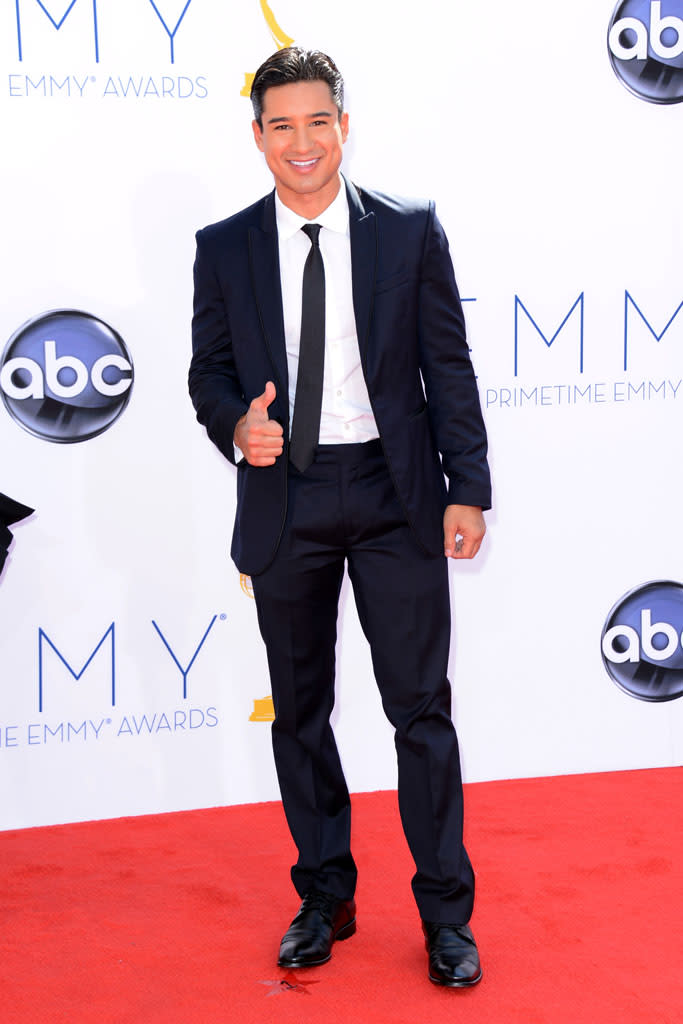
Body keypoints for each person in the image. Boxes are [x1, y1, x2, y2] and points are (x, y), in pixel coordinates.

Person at [189, 47, 491, 988]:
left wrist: (467, 485)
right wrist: (239, 426)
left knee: (421, 713)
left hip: (398, 496)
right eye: (280, 124)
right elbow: (207, 372)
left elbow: (448, 364)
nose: (301, 141)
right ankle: (324, 896)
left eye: (317, 120)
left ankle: (445, 914)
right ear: (257, 138)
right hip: (289, 499)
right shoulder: (225, 244)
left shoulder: (407, 230)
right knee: (302, 714)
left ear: (343, 125)